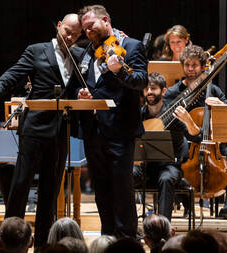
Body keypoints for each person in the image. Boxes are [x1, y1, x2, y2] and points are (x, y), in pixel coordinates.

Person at [0, 13, 83, 248]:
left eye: (76, 34)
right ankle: (11, 241)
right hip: (35, 128)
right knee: (20, 185)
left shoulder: (80, 55)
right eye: (67, 31)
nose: (70, 37)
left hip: (61, 129)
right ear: (59, 26)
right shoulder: (37, 50)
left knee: (50, 190)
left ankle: (42, 243)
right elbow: (15, 72)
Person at [76, 4, 148, 239]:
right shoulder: (88, 51)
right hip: (94, 130)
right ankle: (107, 235)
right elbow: (91, 84)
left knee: (121, 188)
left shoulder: (131, 45)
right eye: (85, 29)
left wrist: (120, 72)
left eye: (91, 26)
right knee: (101, 188)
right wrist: (83, 93)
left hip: (120, 129)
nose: (88, 32)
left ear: (105, 20)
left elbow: (141, 81)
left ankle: (127, 238)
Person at [164, 45, 227, 219]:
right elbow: (169, 125)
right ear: (182, 65)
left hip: (211, 145)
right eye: (187, 64)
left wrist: (222, 106)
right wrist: (189, 124)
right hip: (187, 144)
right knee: (176, 160)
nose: (191, 69)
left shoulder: (213, 90)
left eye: (195, 65)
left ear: (203, 67)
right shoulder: (174, 93)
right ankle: (187, 204)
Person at [134, 72, 200, 220]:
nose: (149, 92)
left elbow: (196, 136)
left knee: (165, 178)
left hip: (169, 166)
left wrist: (189, 121)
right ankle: (128, 225)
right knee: (126, 175)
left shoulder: (174, 114)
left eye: (153, 88)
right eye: (146, 89)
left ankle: (164, 227)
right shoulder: (139, 115)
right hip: (144, 167)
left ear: (164, 91)